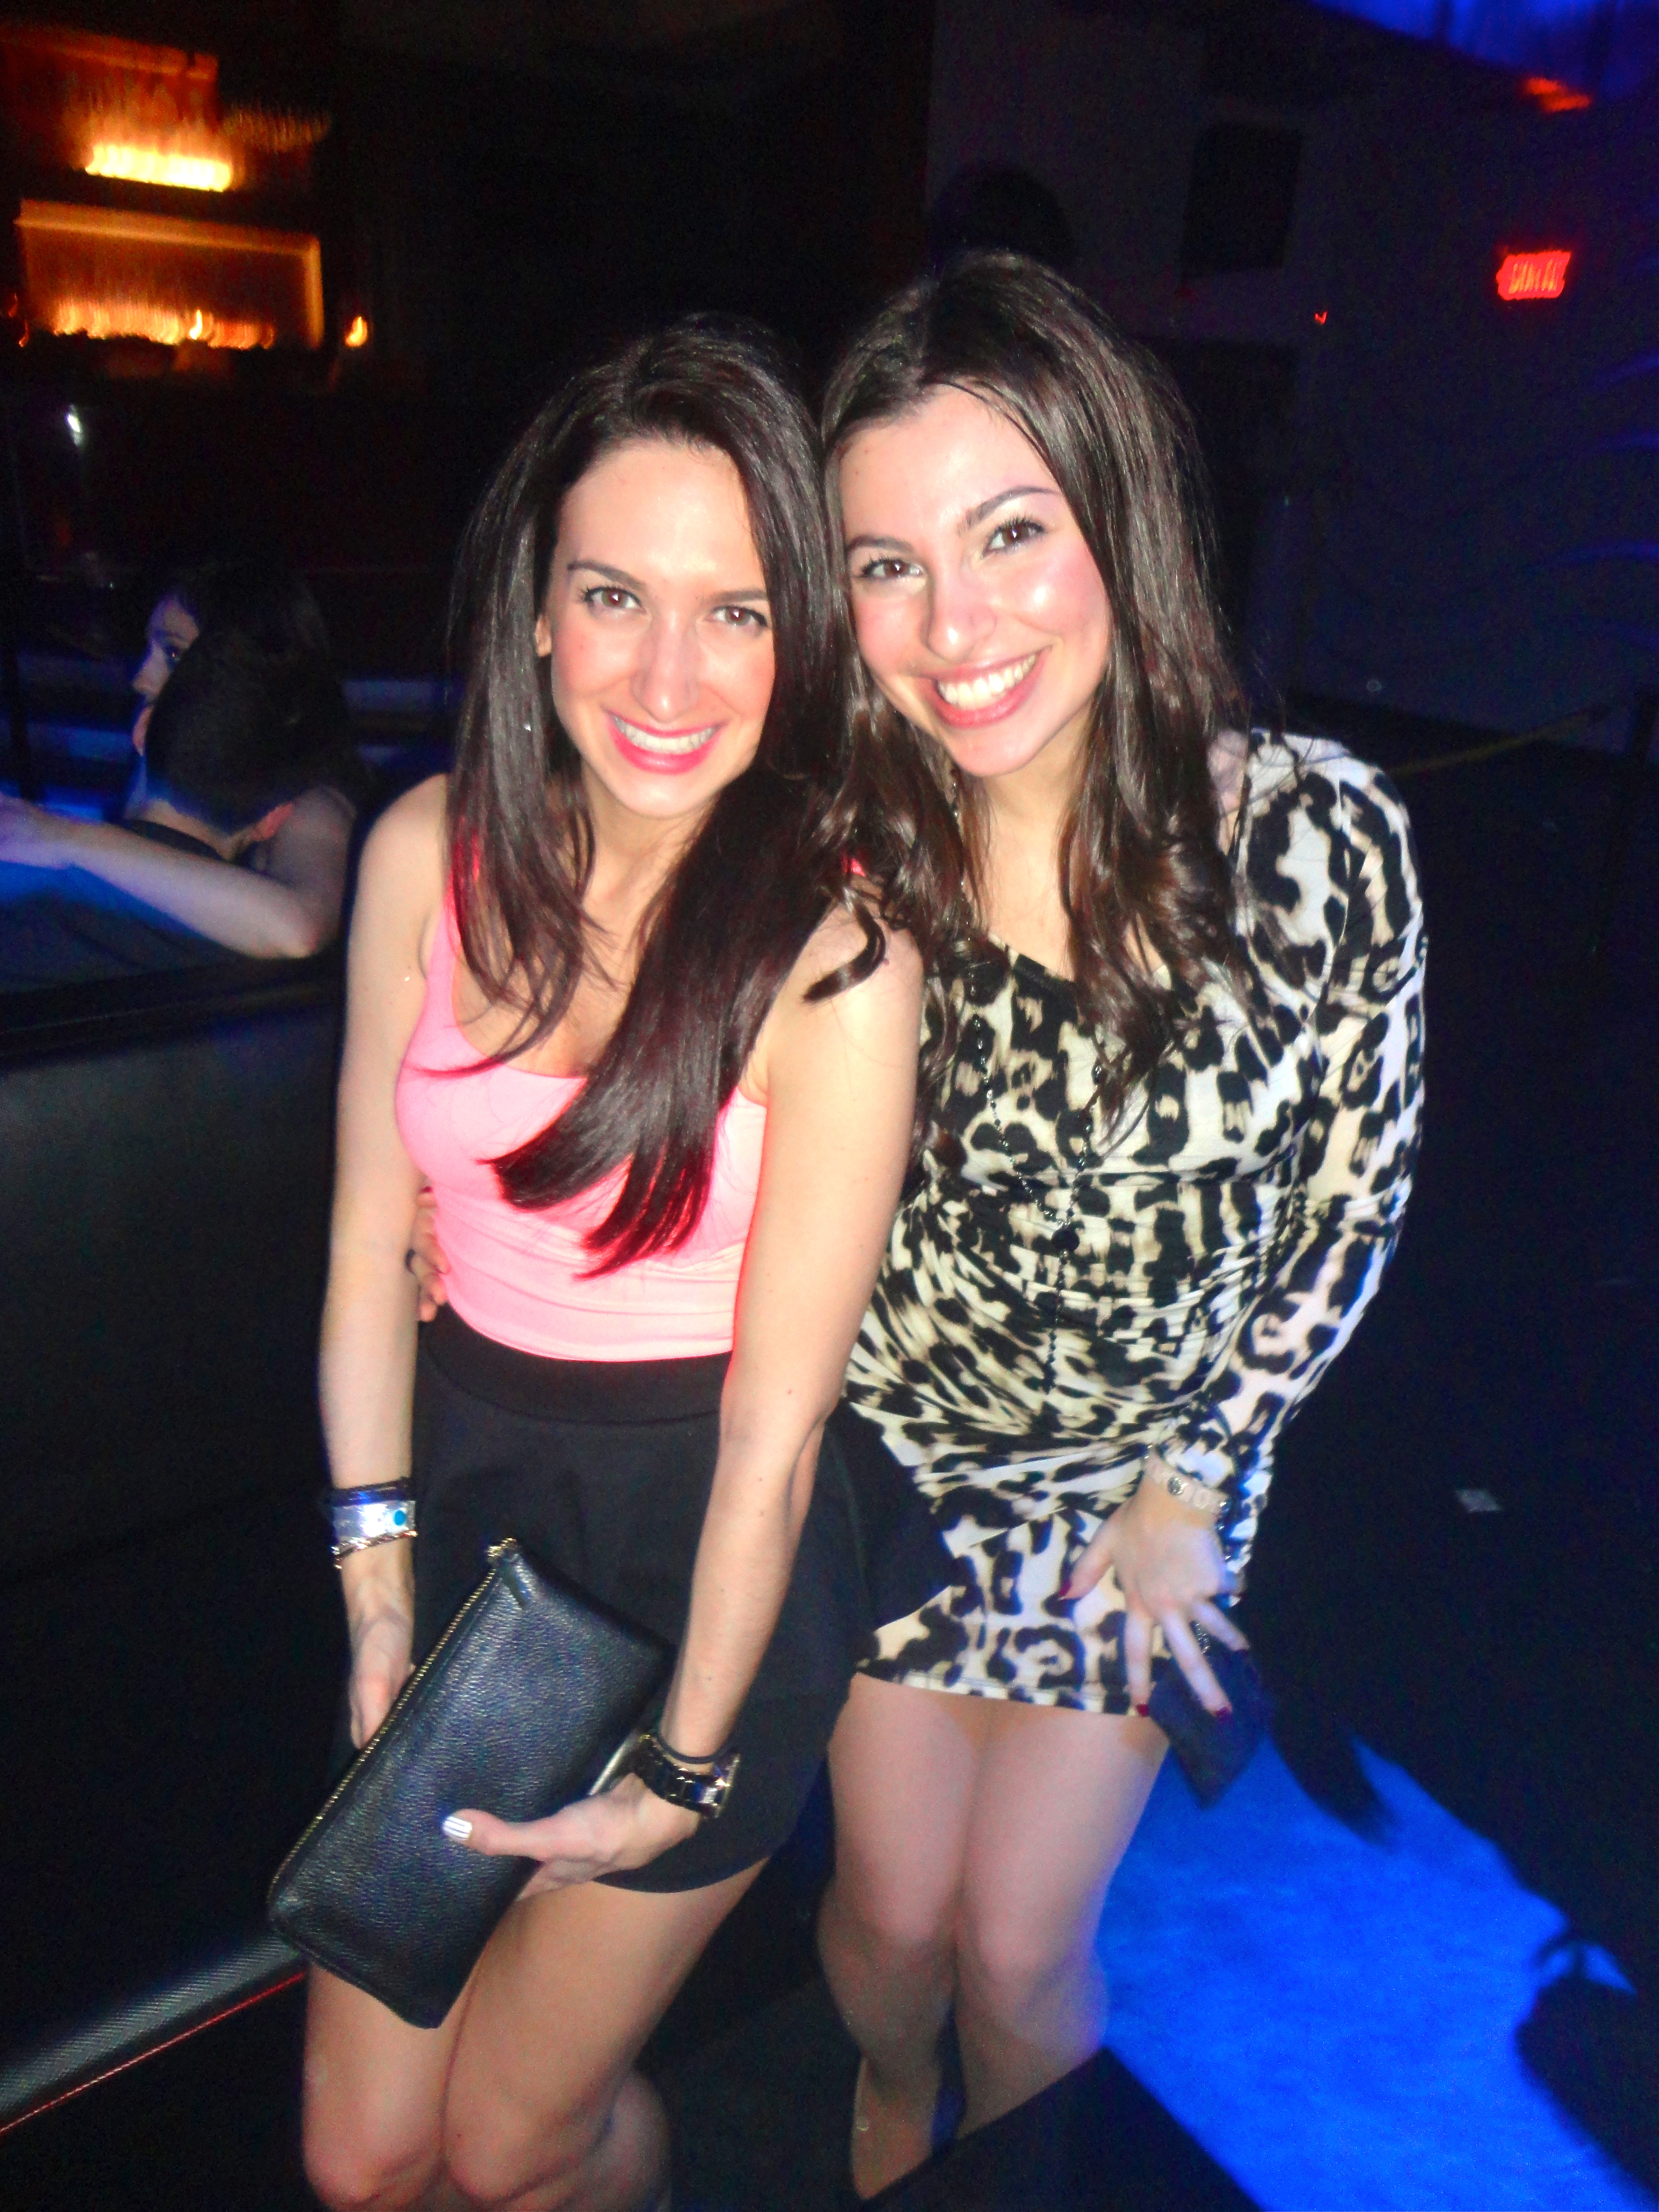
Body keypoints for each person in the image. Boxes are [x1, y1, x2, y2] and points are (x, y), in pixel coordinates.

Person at [301, 317, 948, 2212]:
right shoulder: (425, 853)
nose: (670, 678)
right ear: (535, 613)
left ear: (795, 640)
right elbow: (366, 1240)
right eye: (614, 597)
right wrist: (374, 1584)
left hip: (708, 1585)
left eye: (734, 613)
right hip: (462, 1533)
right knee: (364, 2158)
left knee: (514, 2148)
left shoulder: (834, 961)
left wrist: (680, 1763)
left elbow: (774, 1438)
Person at [806, 253, 1426, 2196]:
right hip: (898, 1458)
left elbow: (1352, 1195)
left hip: (1149, 1479)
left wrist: (1195, 1472)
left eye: (1009, 532)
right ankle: (886, 2106)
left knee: (1016, 1944)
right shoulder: (850, 847)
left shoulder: (1313, 836)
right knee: (893, 1926)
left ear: (1121, 514)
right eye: (889, 563)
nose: (952, 625)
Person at [0, 559, 361, 957]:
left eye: (173, 653)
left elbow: (299, 927)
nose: (141, 678)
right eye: (149, 650)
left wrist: (63, 837)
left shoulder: (310, 801)